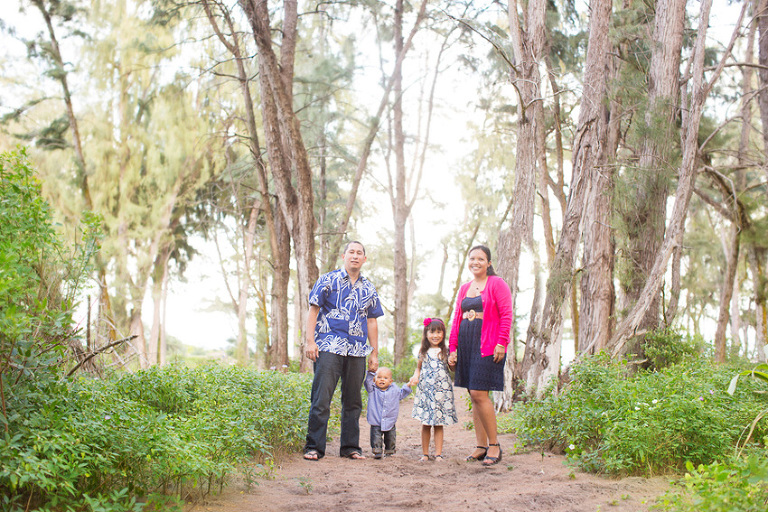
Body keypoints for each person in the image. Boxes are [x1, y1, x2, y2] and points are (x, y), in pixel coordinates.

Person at [303, 241, 384, 461]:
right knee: (321, 398)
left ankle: (350, 447)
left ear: (364, 259)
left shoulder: (369, 288)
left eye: (359, 253)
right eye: (351, 252)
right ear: (343, 256)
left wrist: (374, 353)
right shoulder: (327, 280)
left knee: (353, 401)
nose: (355, 256)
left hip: (357, 350)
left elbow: (372, 321)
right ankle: (314, 447)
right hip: (329, 345)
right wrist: (310, 341)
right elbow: (314, 309)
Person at [448, 245, 512, 466]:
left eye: (481, 259)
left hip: (488, 343)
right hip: (466, 342)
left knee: (479, 393)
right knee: (473, 394)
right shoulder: (465, 287)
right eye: (472, 258)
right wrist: (453, 348)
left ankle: (494, 445)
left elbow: (506, 315)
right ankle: (480, 445)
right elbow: (457, 318)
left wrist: (502, 343)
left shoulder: (497, 283)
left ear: (489, 263)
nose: (476, 262)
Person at [409, 317, 458, 462]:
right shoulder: (423, 351)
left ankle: (438, 454)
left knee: (438, 423)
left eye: (439, 332)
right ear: (426, 333)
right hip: (426, 392)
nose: (435, 335)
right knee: (426, 423)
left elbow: (453, 369)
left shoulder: (446, 350)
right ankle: (424, 454)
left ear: (443, 334)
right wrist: (415, 377)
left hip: (442, 392)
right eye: (432, 332)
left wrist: (453, 362)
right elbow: (418, 369)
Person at [364, 366, 412, 459]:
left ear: (390, 381)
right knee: (376, 436)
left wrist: (409, 385)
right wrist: (371, 373)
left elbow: (402, 393)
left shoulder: (394, 390)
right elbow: (367, 382)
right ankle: (377, 450)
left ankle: (389, 450)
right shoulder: (372, 389)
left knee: (390, 437)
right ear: (375, 379)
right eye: (379, 377)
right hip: (376, 419)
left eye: (385, 378)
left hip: (390, 419)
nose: (382, 380)